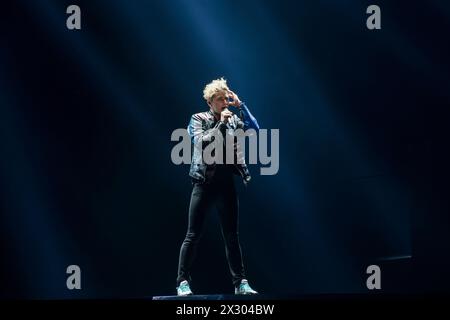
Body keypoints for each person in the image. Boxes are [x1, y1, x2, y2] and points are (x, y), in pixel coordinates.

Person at [176, 77, 260, 296]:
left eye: (226, 98)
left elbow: (254, 128)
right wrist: (221, 123)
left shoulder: (232, 119)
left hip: (225, 185)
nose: (224, 102)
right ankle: (182, 282)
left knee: (232, 236)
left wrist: (241, 105)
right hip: (204, 183)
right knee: (193, 234)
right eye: (220, 99)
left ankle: (240, 282)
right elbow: (201, 141)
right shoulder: (198, 118)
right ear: (210, 101)